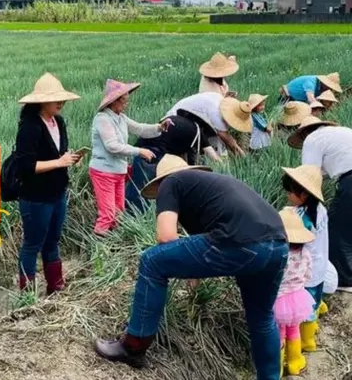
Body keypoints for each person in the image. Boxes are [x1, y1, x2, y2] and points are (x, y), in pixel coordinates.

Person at [94, 155, 289, 380]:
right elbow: (201, 245)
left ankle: (133, 346)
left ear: (160, 182)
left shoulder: (171, 182)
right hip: (278, 246)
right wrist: (192, 273)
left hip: (241, 241)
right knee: (262, 317)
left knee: (152, 261)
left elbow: (166, 237)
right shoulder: (208, 189)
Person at [287, 116, 352, 293]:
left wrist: (305, 207)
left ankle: (345, 280)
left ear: (304, 133)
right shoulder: (342, 133)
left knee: (339, 229)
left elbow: (308, 175)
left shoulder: (312, 139)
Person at [14, 73, 83, 294]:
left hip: (57, 192)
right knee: (32, 244)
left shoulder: (58, 122)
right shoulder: (29, 127)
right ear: (42, 102)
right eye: (56, 100)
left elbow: (59, 154)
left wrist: (70, 159)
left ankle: (56, 287)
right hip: (36, 197)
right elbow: (26, 166)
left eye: (61, 99)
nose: (60, 103)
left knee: (53, 240)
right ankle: (27, 296)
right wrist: (59, 161)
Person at [89, 79, 171, 236]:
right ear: (114, 101)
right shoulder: (102, 119)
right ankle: (98, 250)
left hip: (118, 171)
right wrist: (139, 151)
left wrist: (159, 127)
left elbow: (140, 128)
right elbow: (112, 146)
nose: (126, 104)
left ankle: (113, 244)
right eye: (124, 101)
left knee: (119, 211)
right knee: (107, 214)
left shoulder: (121, 118)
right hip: (103, 171)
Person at [127, 112, 218, 213]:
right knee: (144, 190)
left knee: (135, 185)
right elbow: (215, 159)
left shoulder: (176, 120)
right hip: (153, 154)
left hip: (140, 150)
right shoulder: (197, 132)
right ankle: (136, 215)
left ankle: (126, 215)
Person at [281, 165, 328, 353]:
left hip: (303, 272)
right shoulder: (321, 210)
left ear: (304, 195)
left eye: (291, 193)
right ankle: (309, 340)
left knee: (302, 310)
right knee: (314, 303)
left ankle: (302, 343)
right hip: (319, 267)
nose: (288, 196)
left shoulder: (301, 218)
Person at [274, 207, 316, 377]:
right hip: (298, 297)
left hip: (279, 299)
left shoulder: (279, 254)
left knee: (279, 333)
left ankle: (277, 367)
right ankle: (294, 361)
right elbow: (308, 274)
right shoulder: (305, 253)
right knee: (294, 329)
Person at [166, 92, 251, 158]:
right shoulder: (216, 113)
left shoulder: (219, 99)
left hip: (194, 118)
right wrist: (242, 155)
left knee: (213, 145)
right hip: (175, 122)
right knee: (192, 152)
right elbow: (227, 138)